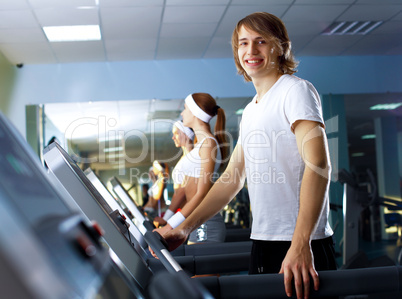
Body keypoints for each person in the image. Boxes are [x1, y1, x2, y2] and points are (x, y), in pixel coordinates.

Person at [160, 12, 337, 299]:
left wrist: (301, 243)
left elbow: (317, 164)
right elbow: (231, 179)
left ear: (279, 47)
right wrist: (184, 227)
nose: (251, 51)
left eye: (260, 41)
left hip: (301, 245)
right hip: (264, 241)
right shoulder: (252, 109)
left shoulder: (296, 91)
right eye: (243, 43)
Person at [154, 92, 228, 244]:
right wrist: (170, 222)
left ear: (195, 113)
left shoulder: (208, 143)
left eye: (186, 108)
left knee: (203, 267)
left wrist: (169, 226)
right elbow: (184, 191)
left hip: (205, 223)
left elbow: (201, 194)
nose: (182, 113)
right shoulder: (202, 145)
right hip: (196, 221)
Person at [153, 120, 195, 227]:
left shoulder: (191, 158)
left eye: (176, 133)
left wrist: (167, 218)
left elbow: (182, 192)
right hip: (186, 213)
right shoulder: (184, 158)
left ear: (186, 134)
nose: (173, 137)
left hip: (192, 214)